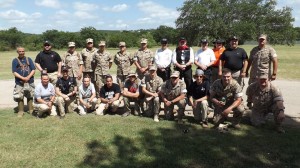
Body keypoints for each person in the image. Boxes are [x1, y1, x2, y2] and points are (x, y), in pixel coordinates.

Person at [12, 47, 36, 117]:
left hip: (30, 81)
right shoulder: (15, 60)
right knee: (19, 96)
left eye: (23, 51)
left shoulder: (29, 59)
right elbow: (14, 72)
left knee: (30, 95)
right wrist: (22, 78)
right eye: (20, 51)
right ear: (17, 52)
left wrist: (28, 77)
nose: (21, 52)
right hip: (19, 82)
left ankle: (31, 109)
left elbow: (33, 69)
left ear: (24, 52)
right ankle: (21, 111)